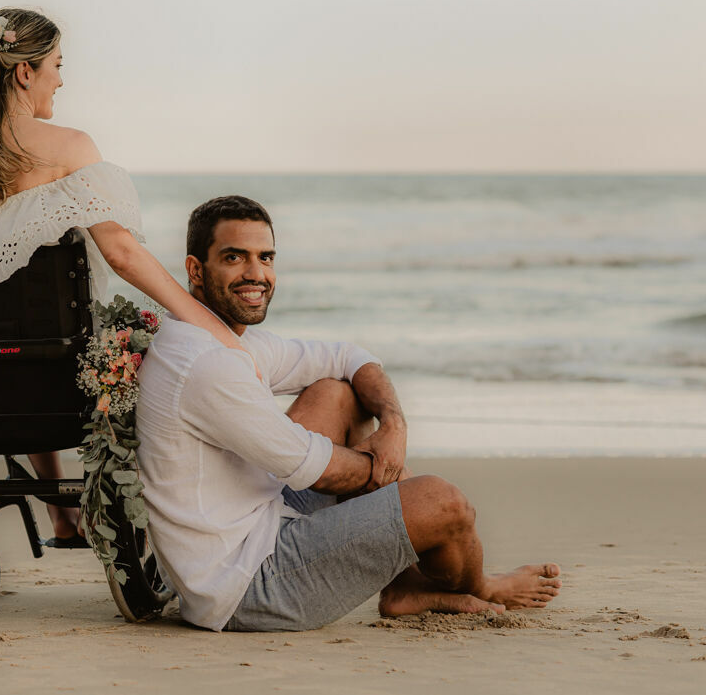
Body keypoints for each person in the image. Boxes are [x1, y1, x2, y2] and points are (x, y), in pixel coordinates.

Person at [134, 195, 562, 631]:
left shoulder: (219, 337)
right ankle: (481, 587)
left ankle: (405, 586)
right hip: (244, 585)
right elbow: (320, 473)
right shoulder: (207, 364)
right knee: (445, 504)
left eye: (265, 257)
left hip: (256, 519)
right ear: (194, 270)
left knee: (337, 393)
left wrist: (394, 424)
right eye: (234, 257)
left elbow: (348, 356)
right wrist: (395, 475)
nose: (256, 274)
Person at [0, 8, 253, 547]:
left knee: (20, 330)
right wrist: (204, 322)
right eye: (56, 64)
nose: (62, 77)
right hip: (62, 367)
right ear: (25, 72)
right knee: (104, 335)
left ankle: (60, 517)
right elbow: (121, 252)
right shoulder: (70, 147)